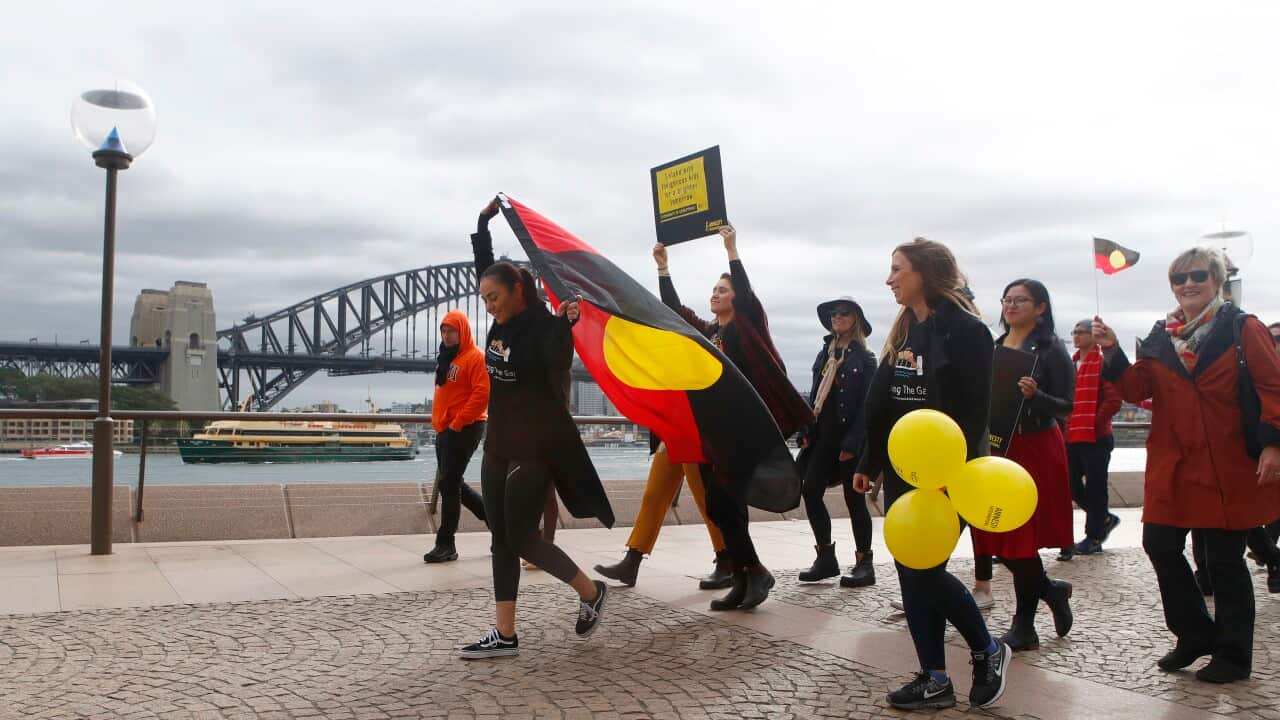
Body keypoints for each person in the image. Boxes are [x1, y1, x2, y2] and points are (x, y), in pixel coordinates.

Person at [1094, 246, 1280, 683]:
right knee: (1159, 544)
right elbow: (1137, 387)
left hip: (1226, 462)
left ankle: (1234, 656)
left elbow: (1273, 386)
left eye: (1198, 276)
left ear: (1216, 280)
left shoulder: (1243, 327)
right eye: (1180, 278)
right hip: (1174, 462)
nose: (1189, 284)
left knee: (1224, 562)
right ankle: (1195, 633)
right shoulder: (1162, 333)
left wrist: (1273, 444)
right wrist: (1113, 350)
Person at [853, 238, 1010, 710]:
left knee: (923, 572)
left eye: (897, 269)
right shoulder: (905, 330)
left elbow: (973, 414)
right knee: (910, 572)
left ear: (925, 272)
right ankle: (935, 678)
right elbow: (885, 405)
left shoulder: (968, 331)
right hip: (905, 470)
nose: (889, 279)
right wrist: (869, 462)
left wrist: (944, 473)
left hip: (948, 473)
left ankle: (987, 649)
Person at [458, 200, 612, 659]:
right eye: (484, 299)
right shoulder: (500, 316)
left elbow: (559, 365)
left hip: (535, 447)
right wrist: (482, 223)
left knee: (522, 538)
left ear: (518, 292)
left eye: (494, 297)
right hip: (498, 443)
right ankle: (505, 635)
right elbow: (486, 266)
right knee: (499, 539)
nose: (489, 306)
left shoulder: (545, 326)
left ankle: (590, 592)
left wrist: (566, 325)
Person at [656, 225, 813, 611]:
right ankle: (744, 578)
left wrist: (731, 249)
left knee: (721, 502)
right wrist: (663, 269)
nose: (715, 294)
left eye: (722, 290)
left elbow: (749, 298)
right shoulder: (711, 333)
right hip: (718, 432)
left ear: (736, 298)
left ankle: (756, 572)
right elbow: (676, 314)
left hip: (748, 429)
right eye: (713, 289)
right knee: (723, 506)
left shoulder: (747, 326)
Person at [972, 280, 1075, 653]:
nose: (1011, 305)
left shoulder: (1051, 349)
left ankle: (1025, 626)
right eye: (1007, 299)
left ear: (1041, 307)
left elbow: (1067, 405)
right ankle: (1050, 590)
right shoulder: (996, 345)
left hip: (1034, 447)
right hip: (999, 447)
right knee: (996, 536)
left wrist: (1036, 395)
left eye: (1021, 300)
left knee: (1020, 539)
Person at [796, 296, 877, 586]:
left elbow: (868, 406)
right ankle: (826, 558)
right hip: (823, 437)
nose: (837, 317)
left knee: (854, 500)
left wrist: (853, 444)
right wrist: (805, 430)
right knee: (810, 490)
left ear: (856, 319)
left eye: (844, 312)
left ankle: (865, 563)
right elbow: (815, 395)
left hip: (849, 440)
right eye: (833, 313)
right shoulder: (825, 354)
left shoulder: (865, 358)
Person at [593, 435, 732, 589]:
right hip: (670, 434)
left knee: (704, 497)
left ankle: (726, 560)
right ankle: (631, 562)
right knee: (653, 496)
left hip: (694, 435)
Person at [424, 310, 489, 563]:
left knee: (449, 484)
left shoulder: (476, 357)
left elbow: (482, 394)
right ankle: (499, 525)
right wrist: (442, 424)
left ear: (463, 331)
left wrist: (457, 423)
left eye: (451, 330)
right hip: (445, 429)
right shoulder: (445, 359)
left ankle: (446, 543)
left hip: (465, 427)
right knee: (453, 483)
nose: (446, 335)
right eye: (443, 330)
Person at [1061, 319, 1124, 559]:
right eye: (1074, 332)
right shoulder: (1071, 363)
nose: (1076, 336)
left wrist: (1093, 421)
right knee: (1071, 485)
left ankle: (1094, 537)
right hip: (1072, 435)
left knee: (1096, 488)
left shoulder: (1102, 363)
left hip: (1096, 437)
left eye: (1081, 332)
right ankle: (1104, 518)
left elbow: (1114, 400)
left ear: (1092, 335)